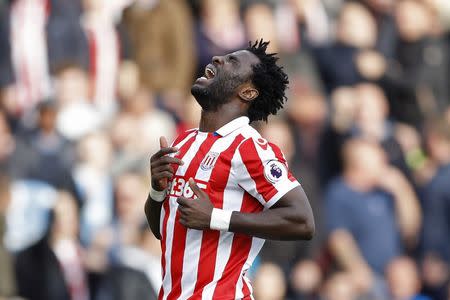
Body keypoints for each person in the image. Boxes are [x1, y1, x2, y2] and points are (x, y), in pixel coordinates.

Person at [145, 40, 315, 299]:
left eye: (232, 61)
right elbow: (164, 230)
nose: (217, 58)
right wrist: (157, 191)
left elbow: (303, 221)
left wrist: (216, 218)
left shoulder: (249, 147)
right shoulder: (183, 142)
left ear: (247, 92)